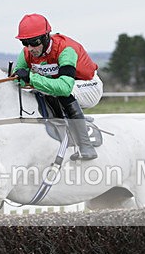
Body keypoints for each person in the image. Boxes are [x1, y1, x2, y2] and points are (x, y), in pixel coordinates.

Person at [12, 13, 103, 160]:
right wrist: (20, 78)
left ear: (45, 37)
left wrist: (31, 78)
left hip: (88, 86)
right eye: (24, 42)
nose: (29, 48)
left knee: (59, 92)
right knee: (40, 92)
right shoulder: (26, 53)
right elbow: (18, 81)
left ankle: (86, 146)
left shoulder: (66, 49)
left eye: (34, 42)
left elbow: (65, 87)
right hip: (64, 86)